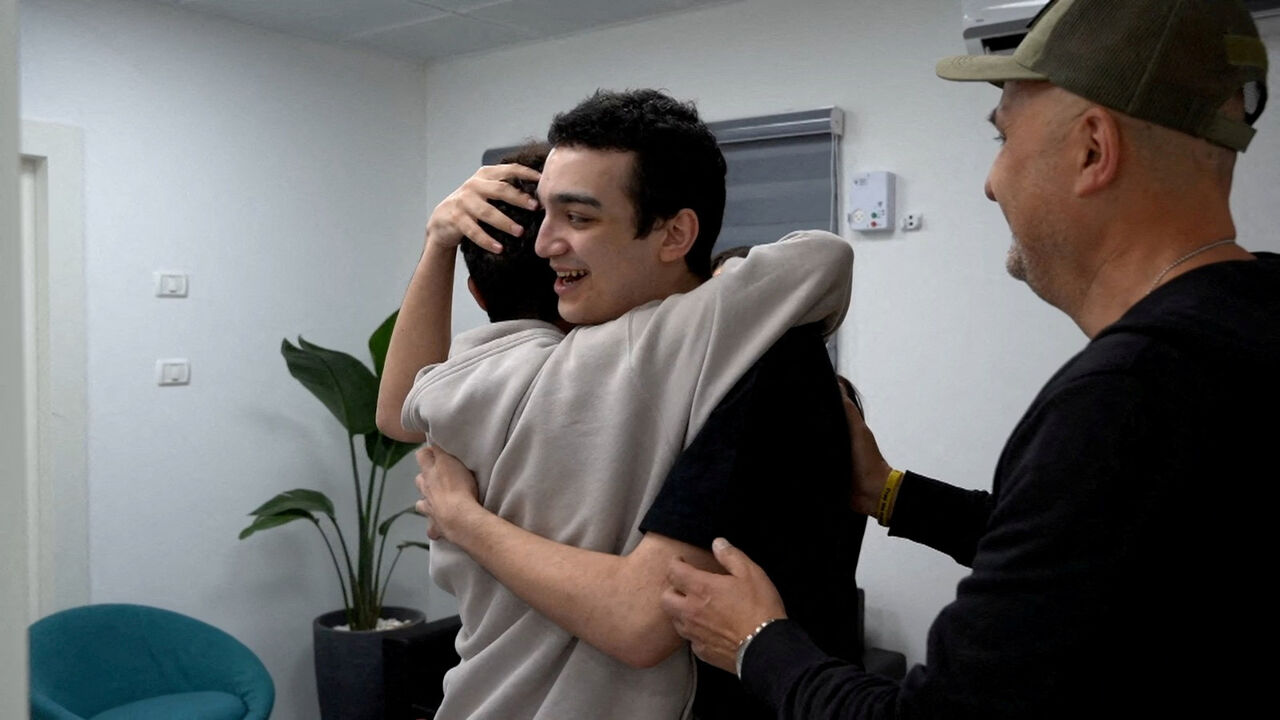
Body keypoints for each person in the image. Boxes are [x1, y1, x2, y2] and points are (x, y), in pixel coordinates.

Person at [661, 0, 1277, 718]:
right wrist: (887, 491)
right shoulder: (1248, 324)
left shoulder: (1129, 399)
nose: (991, 181)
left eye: (1003, 138)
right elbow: (1081, 556)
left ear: (1092, 150)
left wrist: (758, 642)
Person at [380, 89, 857, 720]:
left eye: (578, 218)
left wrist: (463, 518)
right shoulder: (579, 358)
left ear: (674, 233)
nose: (545, 244)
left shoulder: (758, 364)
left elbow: (640, 621)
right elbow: (824, 256)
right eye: (546, 216)